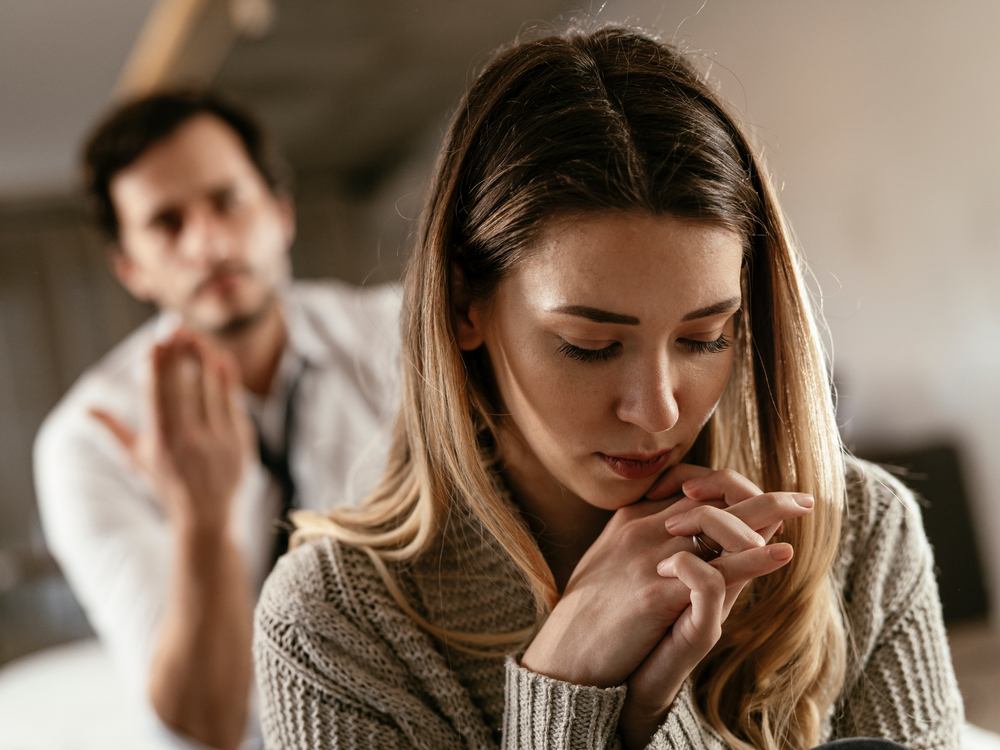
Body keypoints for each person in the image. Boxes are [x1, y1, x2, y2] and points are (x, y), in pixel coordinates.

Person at [252, 26, 964, 750]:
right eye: (589, 346)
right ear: (466, 305)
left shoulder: (862, 536)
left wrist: (654, 713)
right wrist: (567, 690)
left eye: (702, 338)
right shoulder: (334, 623)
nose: (657, 409)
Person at [33, 92, 401, 750]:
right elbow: (203, 732)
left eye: (227, 200)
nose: (208, 243)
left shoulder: (404, 339)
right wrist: (201, 522)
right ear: (130, 269)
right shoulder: (86, 444)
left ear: (280, 211)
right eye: (167, 223)